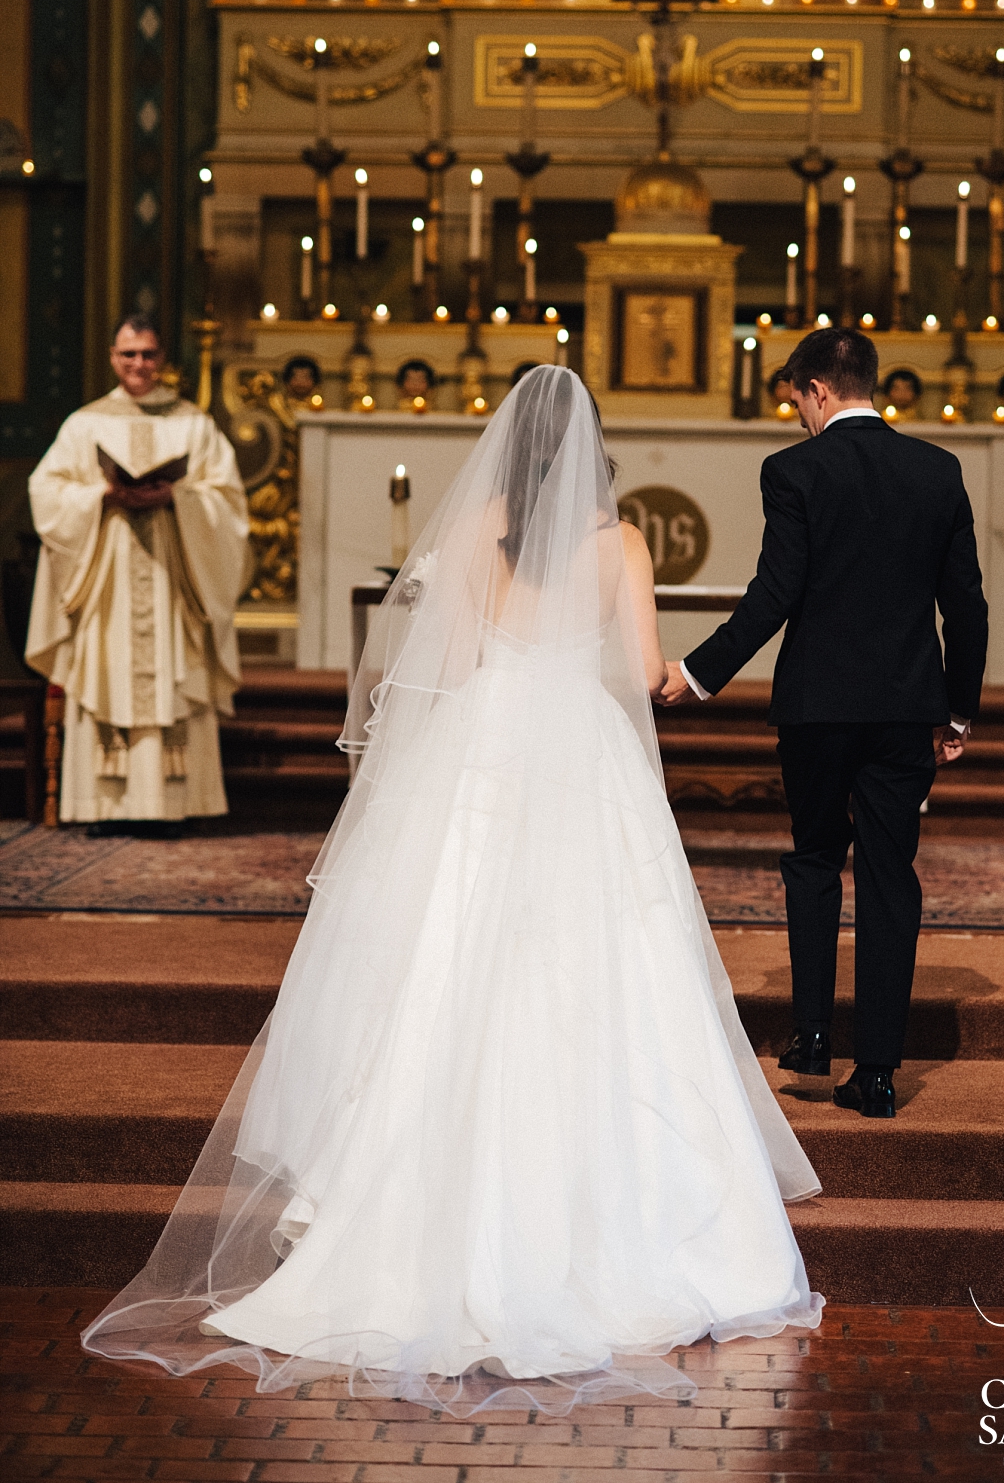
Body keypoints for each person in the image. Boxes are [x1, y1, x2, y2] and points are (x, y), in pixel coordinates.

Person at [82, 366, 823, 1411]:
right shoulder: (624, 541)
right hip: (582, 747)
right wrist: (641, 679)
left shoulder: (478, 530)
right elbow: (645, 666)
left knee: (450, 961)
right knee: (606, 969)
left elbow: (458, 658)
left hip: (485, 746)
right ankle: (625, 1234)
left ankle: (400, 1224)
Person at [659, 328, 988, 1120]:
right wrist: (957, 709)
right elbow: (966, 605)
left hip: (817, 709)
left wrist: (696, 674)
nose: (797, 416)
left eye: (795, 400)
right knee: (888, 875)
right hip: (908, 707)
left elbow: (777, 594)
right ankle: (876, 1072)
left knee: (813, 860)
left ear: (816, 390)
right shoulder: (938, 471)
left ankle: (810, 1036)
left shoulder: (793, 470)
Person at [25, 315, 250, 827]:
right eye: (129, 354)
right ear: (112, 357)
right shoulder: (86, 424)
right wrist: (102, 493)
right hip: (110, 577)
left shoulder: (193, 424)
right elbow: (47, 492)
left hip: (173, 572)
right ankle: (102, 807)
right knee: (108, 670)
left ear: (162, 359)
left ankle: (176, 806)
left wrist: (180, 496)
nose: (139, 365)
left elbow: (228, 500)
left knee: (174, 674)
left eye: (148, 354)